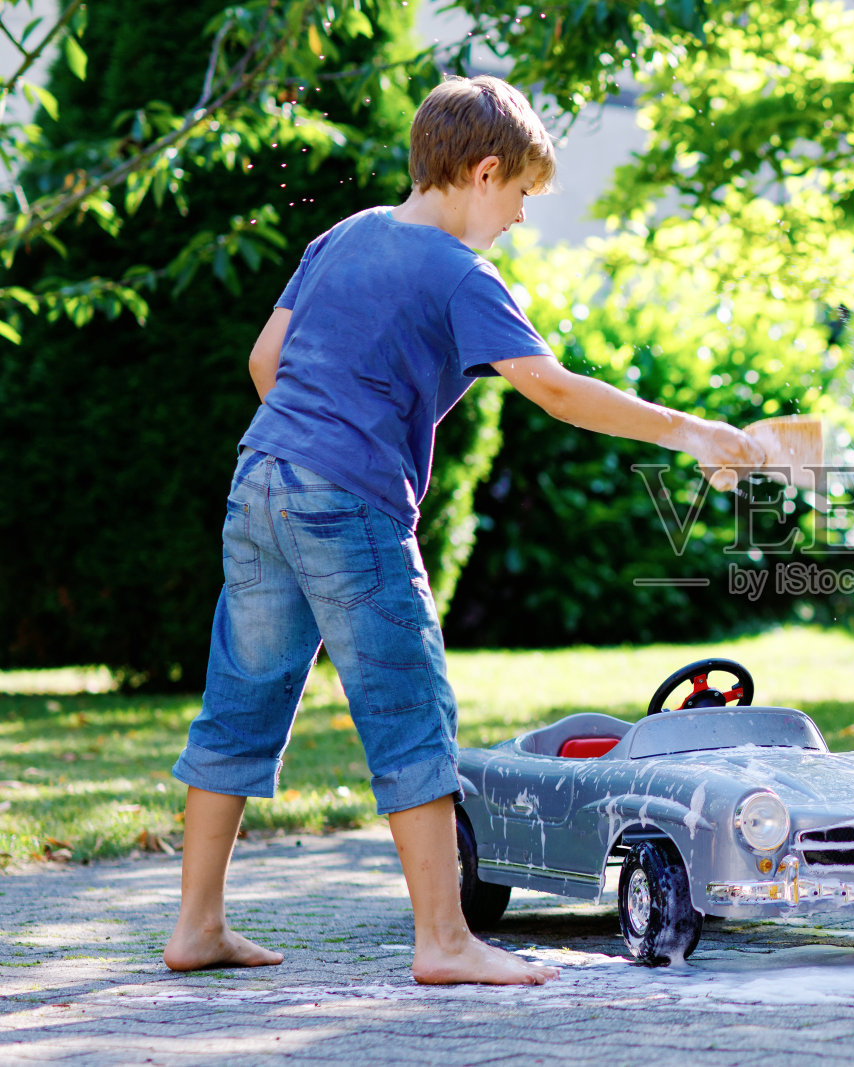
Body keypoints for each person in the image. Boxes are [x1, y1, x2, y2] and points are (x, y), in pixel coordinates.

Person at [162, 75, 762, 985]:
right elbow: (556, 390)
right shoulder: (460, 273)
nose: (521, 218)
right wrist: (694, 432)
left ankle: (196, 926)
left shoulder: (346, 233)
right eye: (522, 195)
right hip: (347, 502)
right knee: (411, 710)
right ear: (485, 172)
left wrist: (311, 440)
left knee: (242, 701)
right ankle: (444, 940)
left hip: (260, 482)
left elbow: (265, 360)